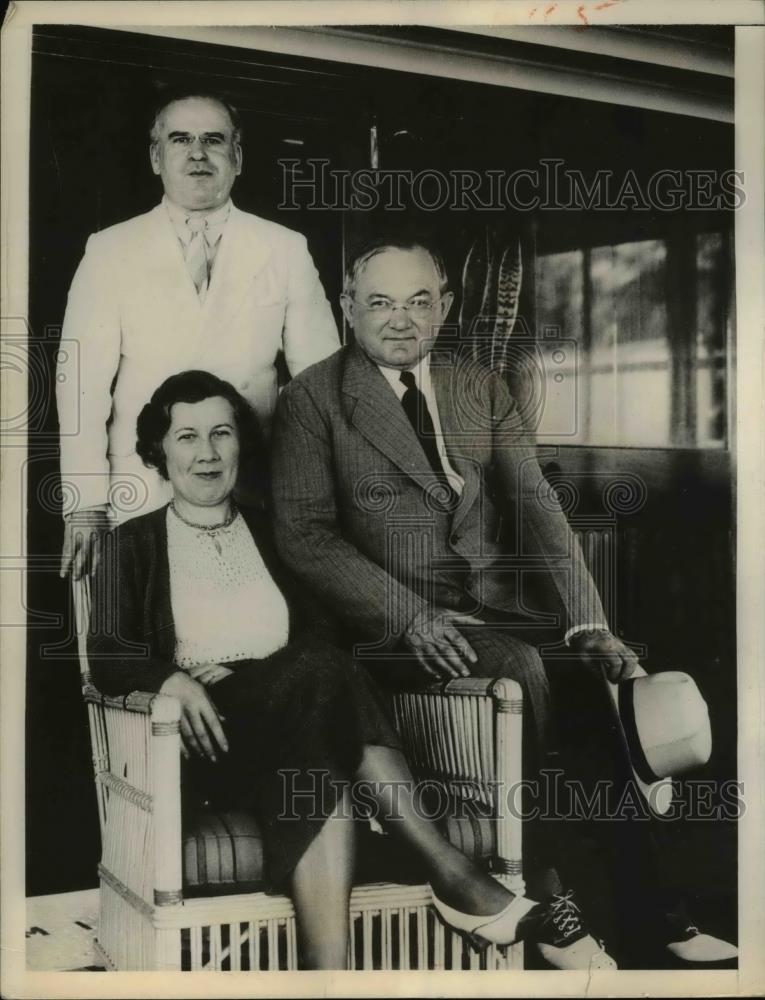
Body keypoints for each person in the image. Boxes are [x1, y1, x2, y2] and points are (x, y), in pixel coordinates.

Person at [269, 238, 738, 967]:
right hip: (385, 629)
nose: (401, 320)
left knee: (593, 677)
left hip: (486, 610)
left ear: (445, 307)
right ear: (347, 310)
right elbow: (304, 536)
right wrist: (407, 617)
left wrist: (588, 622)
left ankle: (654, 919)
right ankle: (554, 907)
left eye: (419, 301)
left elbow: (537, 505)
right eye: (381, 303)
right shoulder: (310, 400)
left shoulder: (476, 384)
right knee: (521, 669)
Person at [86, 369, 616, 971]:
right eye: (186, 437)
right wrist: (173, 680)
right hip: (207, 744)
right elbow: (105, 654)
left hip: (298, 729)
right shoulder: (132, 544)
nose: (206, 453)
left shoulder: (273, 536)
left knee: (317, 740)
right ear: (159, 450)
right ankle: (452, 875)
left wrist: (265, 676)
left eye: (221, 433)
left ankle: (328, 978)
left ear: (240, 444)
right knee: (321, 674)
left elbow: (320, 629)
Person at [57, 91, 339, 579]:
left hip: (249, 486)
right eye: (180, 139)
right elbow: (79, 386)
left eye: (213, 139)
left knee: (248, 637)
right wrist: (85, 501)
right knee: (137, 635)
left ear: (237, 157)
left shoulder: (285, 249)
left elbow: (322, 386)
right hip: (140, 487)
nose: (197, 152)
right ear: (155, 157)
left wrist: (313, 498)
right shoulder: (110, 250)